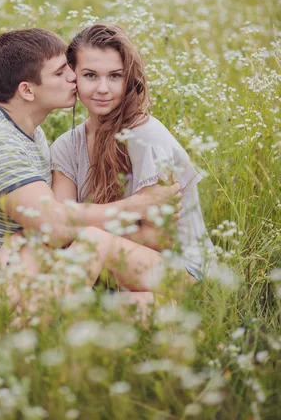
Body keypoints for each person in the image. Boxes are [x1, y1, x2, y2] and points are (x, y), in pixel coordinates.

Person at [0, 28, 182, 318]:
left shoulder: (30, 133)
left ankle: (59, 323)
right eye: (60, 73)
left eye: (70, 69)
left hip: (27, 266)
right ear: (27, 90)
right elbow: (53, 224)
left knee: (156, 307)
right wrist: (133, 207)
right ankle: (29, 328)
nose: (72, 78)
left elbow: (54, 225)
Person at [51, 24, 217, 282]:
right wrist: (128, 213)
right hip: (117, 271)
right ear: (73, 78)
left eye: (115, 76)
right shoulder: (66, 146)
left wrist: (82, 223)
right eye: (91, 75)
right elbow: (58, 230)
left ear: (128, 78)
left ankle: (36, 319)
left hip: (181, 268)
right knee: (136, 309)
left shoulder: (147, 137)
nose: (103, 88)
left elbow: (158, 239)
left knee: (95, 240)